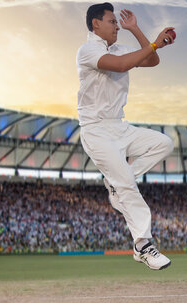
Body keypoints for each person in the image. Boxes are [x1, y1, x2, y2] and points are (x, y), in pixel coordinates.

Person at [77, 2, 175, 270]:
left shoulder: (120, 46)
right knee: (128, 188)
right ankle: (143, 245)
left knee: (163, 144)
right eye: (113, 22)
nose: (116, 25)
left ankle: (115, 184)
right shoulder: (87, 50)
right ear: (96, 24)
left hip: (119, 127)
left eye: (118, 23)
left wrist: (136, 29)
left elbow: (152, 60)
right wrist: (152, 44)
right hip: (96, 130)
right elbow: (120, 66)